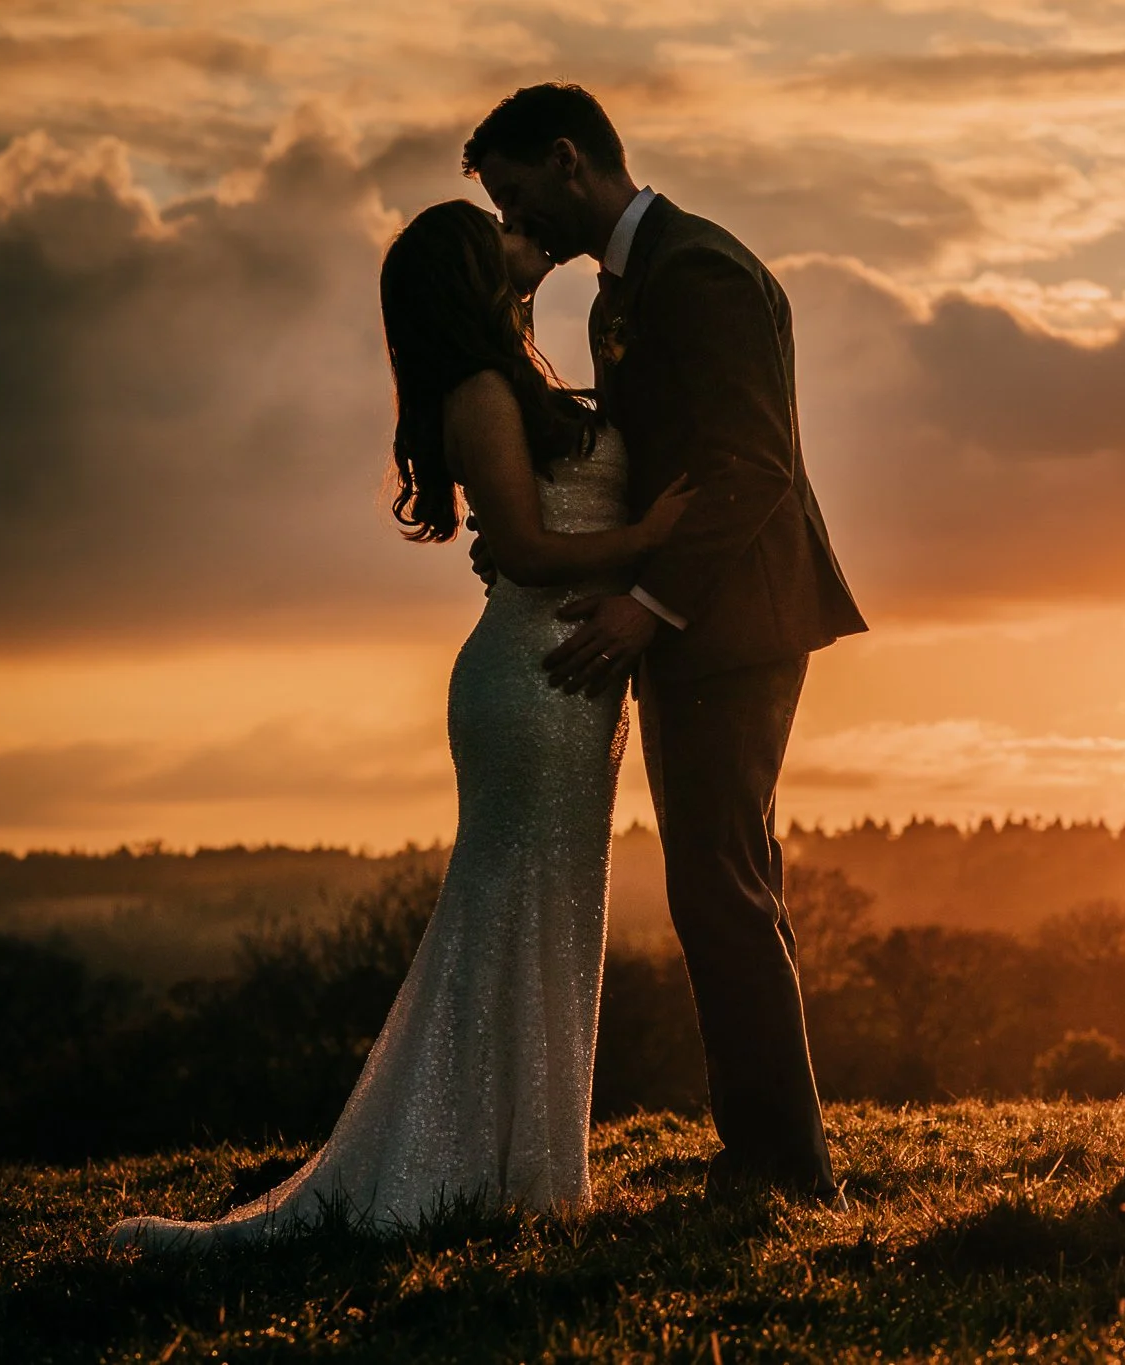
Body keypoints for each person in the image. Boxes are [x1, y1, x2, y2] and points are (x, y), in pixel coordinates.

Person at [110, 200, 694, 1250]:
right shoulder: (477, 389)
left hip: (572, 679)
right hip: (533, 680)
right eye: (499, 236)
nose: (523, 240)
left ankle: (524, 1173)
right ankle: (454, 1168)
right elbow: (518, 546)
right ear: (471, 274)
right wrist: (649, 537)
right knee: (508, 915)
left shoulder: (518, 373)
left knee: (553, 916)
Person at [463, 82, 865, 1198]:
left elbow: (751, 465)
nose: (514, 224)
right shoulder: (618, 296)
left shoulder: (700, 272)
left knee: (718, 886)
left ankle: (780, 1170)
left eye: (515, 198)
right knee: (727, 881)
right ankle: (778, 1157)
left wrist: (651, 607)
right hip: (701, 625)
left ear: (566, 160)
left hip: (734, 622)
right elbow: (633, 450)